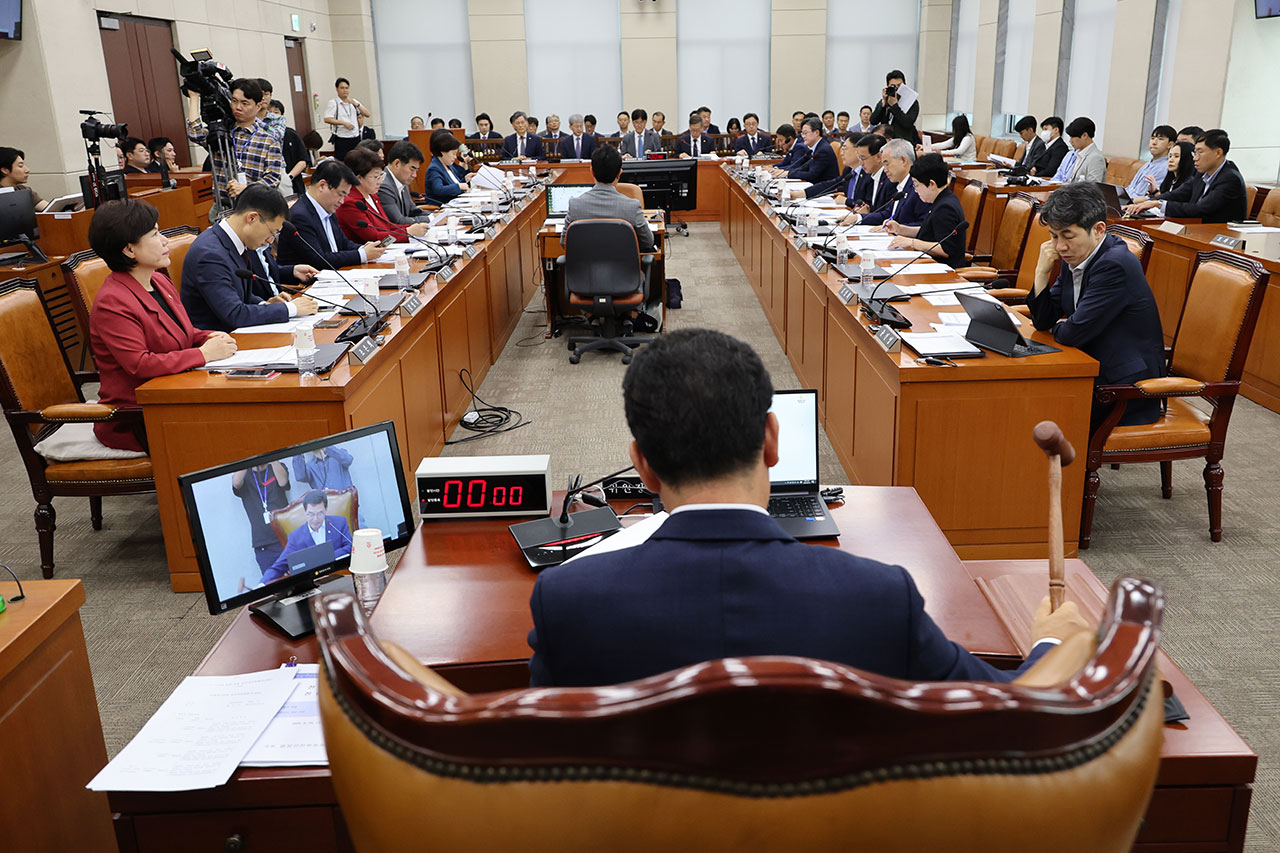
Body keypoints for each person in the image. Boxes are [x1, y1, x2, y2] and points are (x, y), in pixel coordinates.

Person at [526, 328, 1087, 688]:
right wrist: (1050, 644)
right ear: (773, 441)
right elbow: (1004, 719)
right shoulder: (879, 597)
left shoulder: (566, 601)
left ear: (641, 465)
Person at [85, 199, 236, 452]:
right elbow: (140, 364)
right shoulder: (112, 302)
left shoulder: (158, 280)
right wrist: (202, 354)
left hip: (176, 393)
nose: (165, 240)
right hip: (138, 415)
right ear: (129, 250)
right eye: (155, 234)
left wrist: (209, 336)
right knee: (233, 426)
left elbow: (181, 334)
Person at [1029, 184, 1166, 428]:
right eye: (1053, 236)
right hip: (1093, 365)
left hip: (1124, 387)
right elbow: (1043, 320)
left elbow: (1072, 333)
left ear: (1098, 230)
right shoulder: (1079, 256)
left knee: (1041, 409)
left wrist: (1063, 325)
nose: (1059, 246)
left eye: (1067, 236)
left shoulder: (1114, 265)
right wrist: (1041, 272)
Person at [182, 184, 319, 331]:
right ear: (252, 218)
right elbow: (234, 314)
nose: (271, 241)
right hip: (220, 340)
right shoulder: (210, 254)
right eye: (272, 232)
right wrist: (290, 309)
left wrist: (264, 305)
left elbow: (242, 296)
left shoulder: (235, 242)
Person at [186, 77, 284, 203]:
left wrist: (246, 189)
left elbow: (273, 179)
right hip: (221, 207)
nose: (238, 107)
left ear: (258, 106)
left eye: (245, 103)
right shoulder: (221, 133)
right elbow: (195, 133)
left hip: (253, 207)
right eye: (234, 101)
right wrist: (194, 97)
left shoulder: (268, 141)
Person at [279, 159, 386, 269]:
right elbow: (319, 259)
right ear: (322, 186)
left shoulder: (327, 209)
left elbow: (344, 244)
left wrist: (364, 248)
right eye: (341, 194)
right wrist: (362, 254)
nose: (342, 201)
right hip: (308, 283)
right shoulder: (300, 216)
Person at [1125, 129, 1247, 223]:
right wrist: (1147, 203)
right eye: (1195, 152)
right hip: (1194, 227)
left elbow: (1201, 209)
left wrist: (1158, 204)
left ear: (1218, 153)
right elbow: (1178, 194)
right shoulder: (1201, 173)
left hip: (1216, 233)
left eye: (1200, 152)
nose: (1194, 158)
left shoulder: (1230, 178)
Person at [564, 145, 655, 254]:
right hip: (624, 270)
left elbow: (564, 242)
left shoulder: (575, 205)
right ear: (619, 174)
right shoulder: (632, 206)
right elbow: (648, 242)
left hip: (586, 270)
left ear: (591, 171)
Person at [885, 153, 967, 268]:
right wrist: (901, 229)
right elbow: (929, 231)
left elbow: (945, 249)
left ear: (931, 184)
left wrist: (911, 242)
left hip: (942, 270)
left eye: (916, 185)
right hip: (929, 263)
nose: (916, 190)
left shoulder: (945, 208)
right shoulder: (941, 199)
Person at [337, 146, 428, 243]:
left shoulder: (372, 195)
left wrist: (413, 227)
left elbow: (388, 226)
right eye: (376, 177)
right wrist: (407, 233)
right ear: (359, 178)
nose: (380, 182)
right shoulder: (350, 203)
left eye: (381, 176)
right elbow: (373, 238)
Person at [265, 490, 353, 584]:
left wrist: (326, 557)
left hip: (342, 575)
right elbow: (279, 566)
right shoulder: (296, 537)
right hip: (315, 583)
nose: (315, 519)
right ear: (305, 511)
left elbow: (351, 547)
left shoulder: (339, 523)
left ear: (326, 509)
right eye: (310, 514)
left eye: (320, 513)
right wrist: (262, 584)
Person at [231, 461, 291, 584]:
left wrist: (271, 456)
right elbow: (236, 483)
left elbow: (283, 481)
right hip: (263, 544)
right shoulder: (244, 475)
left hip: (286, 537)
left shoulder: (277, 466)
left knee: (298, 578)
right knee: (273, 585)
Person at [849, 139, 928, 228]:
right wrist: (858, 218)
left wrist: (895, 229)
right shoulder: (901, 185)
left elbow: (923, 225)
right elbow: (888, 214)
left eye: (887, 164)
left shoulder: (918, 187)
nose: (885, 170)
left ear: (903, 160)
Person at [379, 140, 431, 225]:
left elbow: (413, 211)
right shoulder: (384, 186)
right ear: (397, 164)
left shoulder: (401, 180)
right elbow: (399, 221)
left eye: (416, 170)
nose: (414, 175)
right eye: (412, 169)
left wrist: (436, 215)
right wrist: (430, 219)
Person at [267, 100, 312, 195]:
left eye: (276, 112)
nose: (272, 116)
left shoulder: (291, 134)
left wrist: (289, 177)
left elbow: (303, 160)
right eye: (269, 112)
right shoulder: (262, 135)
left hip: (293, 182)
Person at [1124, 125, 1177, 202]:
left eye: (1160, 139)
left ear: (1170, 144)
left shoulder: (1165, 167)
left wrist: (1128, 203)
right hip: (1127, 200)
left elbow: (1153, 197)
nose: (1154, 142)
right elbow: (1130, 188)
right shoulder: (1148, 164)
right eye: (1152, 138)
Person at [324, 77, 370, 161]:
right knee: (344, 162)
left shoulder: (353, 102)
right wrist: (343, 123)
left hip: (355, 137)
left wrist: (356, 104)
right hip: (342, 139)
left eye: (346, 88)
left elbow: (367, 114)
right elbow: (327, 119)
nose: (345, 90)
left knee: (357, 161)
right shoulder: (334, 103)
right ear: (337, 89)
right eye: (342, 88)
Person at [783, 117, 839, 183]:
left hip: (825, 189)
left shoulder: (823, 150)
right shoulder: (816, 147)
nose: (803, 136)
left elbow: (811, 175)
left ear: (816, 132)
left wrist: (789, 174)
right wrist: (785, 172)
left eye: (805, 133)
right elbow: (804, 167)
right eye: (802, 133)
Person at [424, 130, 472, 205]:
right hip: (441, 209)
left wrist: (465, 179)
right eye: (453, 153)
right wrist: (459, 186)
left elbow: (452, 184)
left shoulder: (448, 166)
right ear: (443, 152)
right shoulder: (434, 168)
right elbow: (438, 189)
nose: (455, 157)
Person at [871, 69, 919, 143]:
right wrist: (883, 103)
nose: (897, 89)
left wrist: (894, 106)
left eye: (899, 86)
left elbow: (908, 123)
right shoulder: (885, 100)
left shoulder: (912, 102)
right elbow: (873, 121)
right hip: (885, 142)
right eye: (893, 86)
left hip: (902, 143)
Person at [1051, 117, 1105, 183]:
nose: (1070, 141)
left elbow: (1093, 188)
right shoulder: (1078, 154)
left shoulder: (1095, 158)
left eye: (1072, 137)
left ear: (1084, 135)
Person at [847, 133, 891, 211]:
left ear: (879, 157)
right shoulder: (870, 176)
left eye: (863, 158)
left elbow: (885, 213)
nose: (861, 163)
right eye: (859, 158)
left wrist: (861, 217)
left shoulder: (889, 179)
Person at [0, 147, 49, 211]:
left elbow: (49, 209)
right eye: (20, 166)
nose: (27, 170)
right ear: (5, 170)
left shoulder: (24, 191)